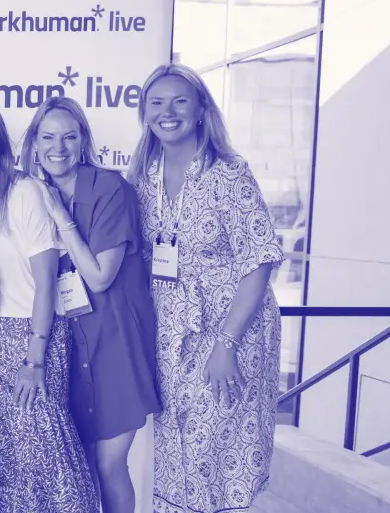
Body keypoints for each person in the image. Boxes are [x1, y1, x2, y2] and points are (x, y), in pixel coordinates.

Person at [125, 64, 283, 513]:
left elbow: (260, 261)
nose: (167, 112)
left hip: (232, 327)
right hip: (170, 331)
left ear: (200, 111)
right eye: (156, 102)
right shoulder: (143, 176)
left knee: (214, 451)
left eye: (179, 101)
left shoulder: (229, 174)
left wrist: (226, 344)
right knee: (175, 448)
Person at [0, 100, 99, 512]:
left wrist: (34, 359)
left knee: (49, 457)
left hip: (31, 337)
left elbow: (46, 284)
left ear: (4, 145)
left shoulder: (22, 191)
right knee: (4, 463)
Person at [21, 96, 161, 513]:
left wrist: (60, 217)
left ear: (83, 141)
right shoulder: (30, 192)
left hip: (116, 345)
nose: (57, 148)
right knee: (77, 468)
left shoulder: (108, 188)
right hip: (70, 345)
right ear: (34, 142)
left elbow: (100, 276)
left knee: (108, 465)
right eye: (47, 137)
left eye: (68, 137)